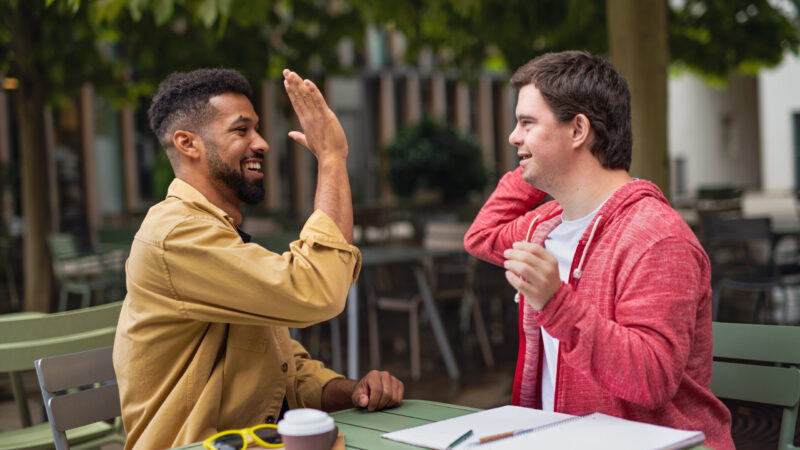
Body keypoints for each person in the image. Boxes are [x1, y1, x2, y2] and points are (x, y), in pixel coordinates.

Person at [113, 68, 404, 449]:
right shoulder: (176, 234)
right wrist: (332, 159)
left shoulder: (214, 230)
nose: (262, 143)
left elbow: (282, 366)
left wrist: (351, 391)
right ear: (188, 143)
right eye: (241, 130)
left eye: (257, 129)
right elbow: (316, 290)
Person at [464, 51, 734, 449]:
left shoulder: (657, 237)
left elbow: (651, 379)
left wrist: (555, 302)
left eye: (526, 123)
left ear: (578, 130)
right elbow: (482, 235)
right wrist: (537, 166)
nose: (513, 136)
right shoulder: (546, 224)